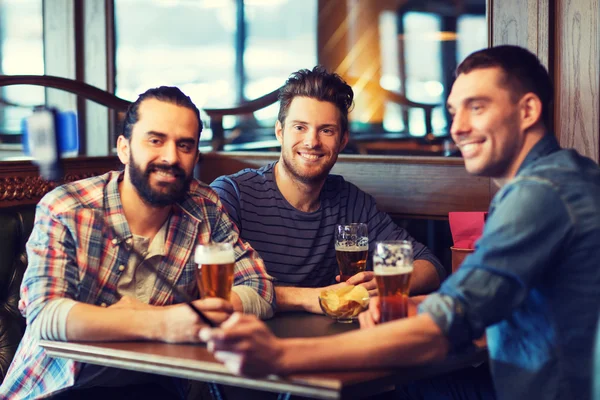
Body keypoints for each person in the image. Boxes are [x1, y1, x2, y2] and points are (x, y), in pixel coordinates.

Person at [201, 46, 600, 400]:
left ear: (528, 110)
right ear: (280, 132)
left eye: (476, 107)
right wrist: (406, 307)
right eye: (453, 111)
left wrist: (282, 355)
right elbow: (464, 304)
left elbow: (443, 325)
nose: (457, 127)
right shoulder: (569, 177)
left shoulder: (541, 194)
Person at [0, 86, 275, 399]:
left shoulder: (204, 206)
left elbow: (260, 287)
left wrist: (204, 313)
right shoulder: (66, 207)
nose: (171, 157)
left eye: (184, 145)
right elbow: (46, 316)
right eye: (155, 140)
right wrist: (160, 322)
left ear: (196, 156)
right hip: (58, 387)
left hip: (154, 386)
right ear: (124, 148)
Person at [211, 66, 445, 314]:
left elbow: (430, 267)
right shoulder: (233, 194)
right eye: (300, 127)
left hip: (330, 344)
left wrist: (386, 283)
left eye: (326, 130)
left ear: (342, 140)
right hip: (247, 343)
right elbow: (216, 289)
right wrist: (309, 298)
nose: (312, 142)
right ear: (280, 132)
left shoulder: (352, 202)